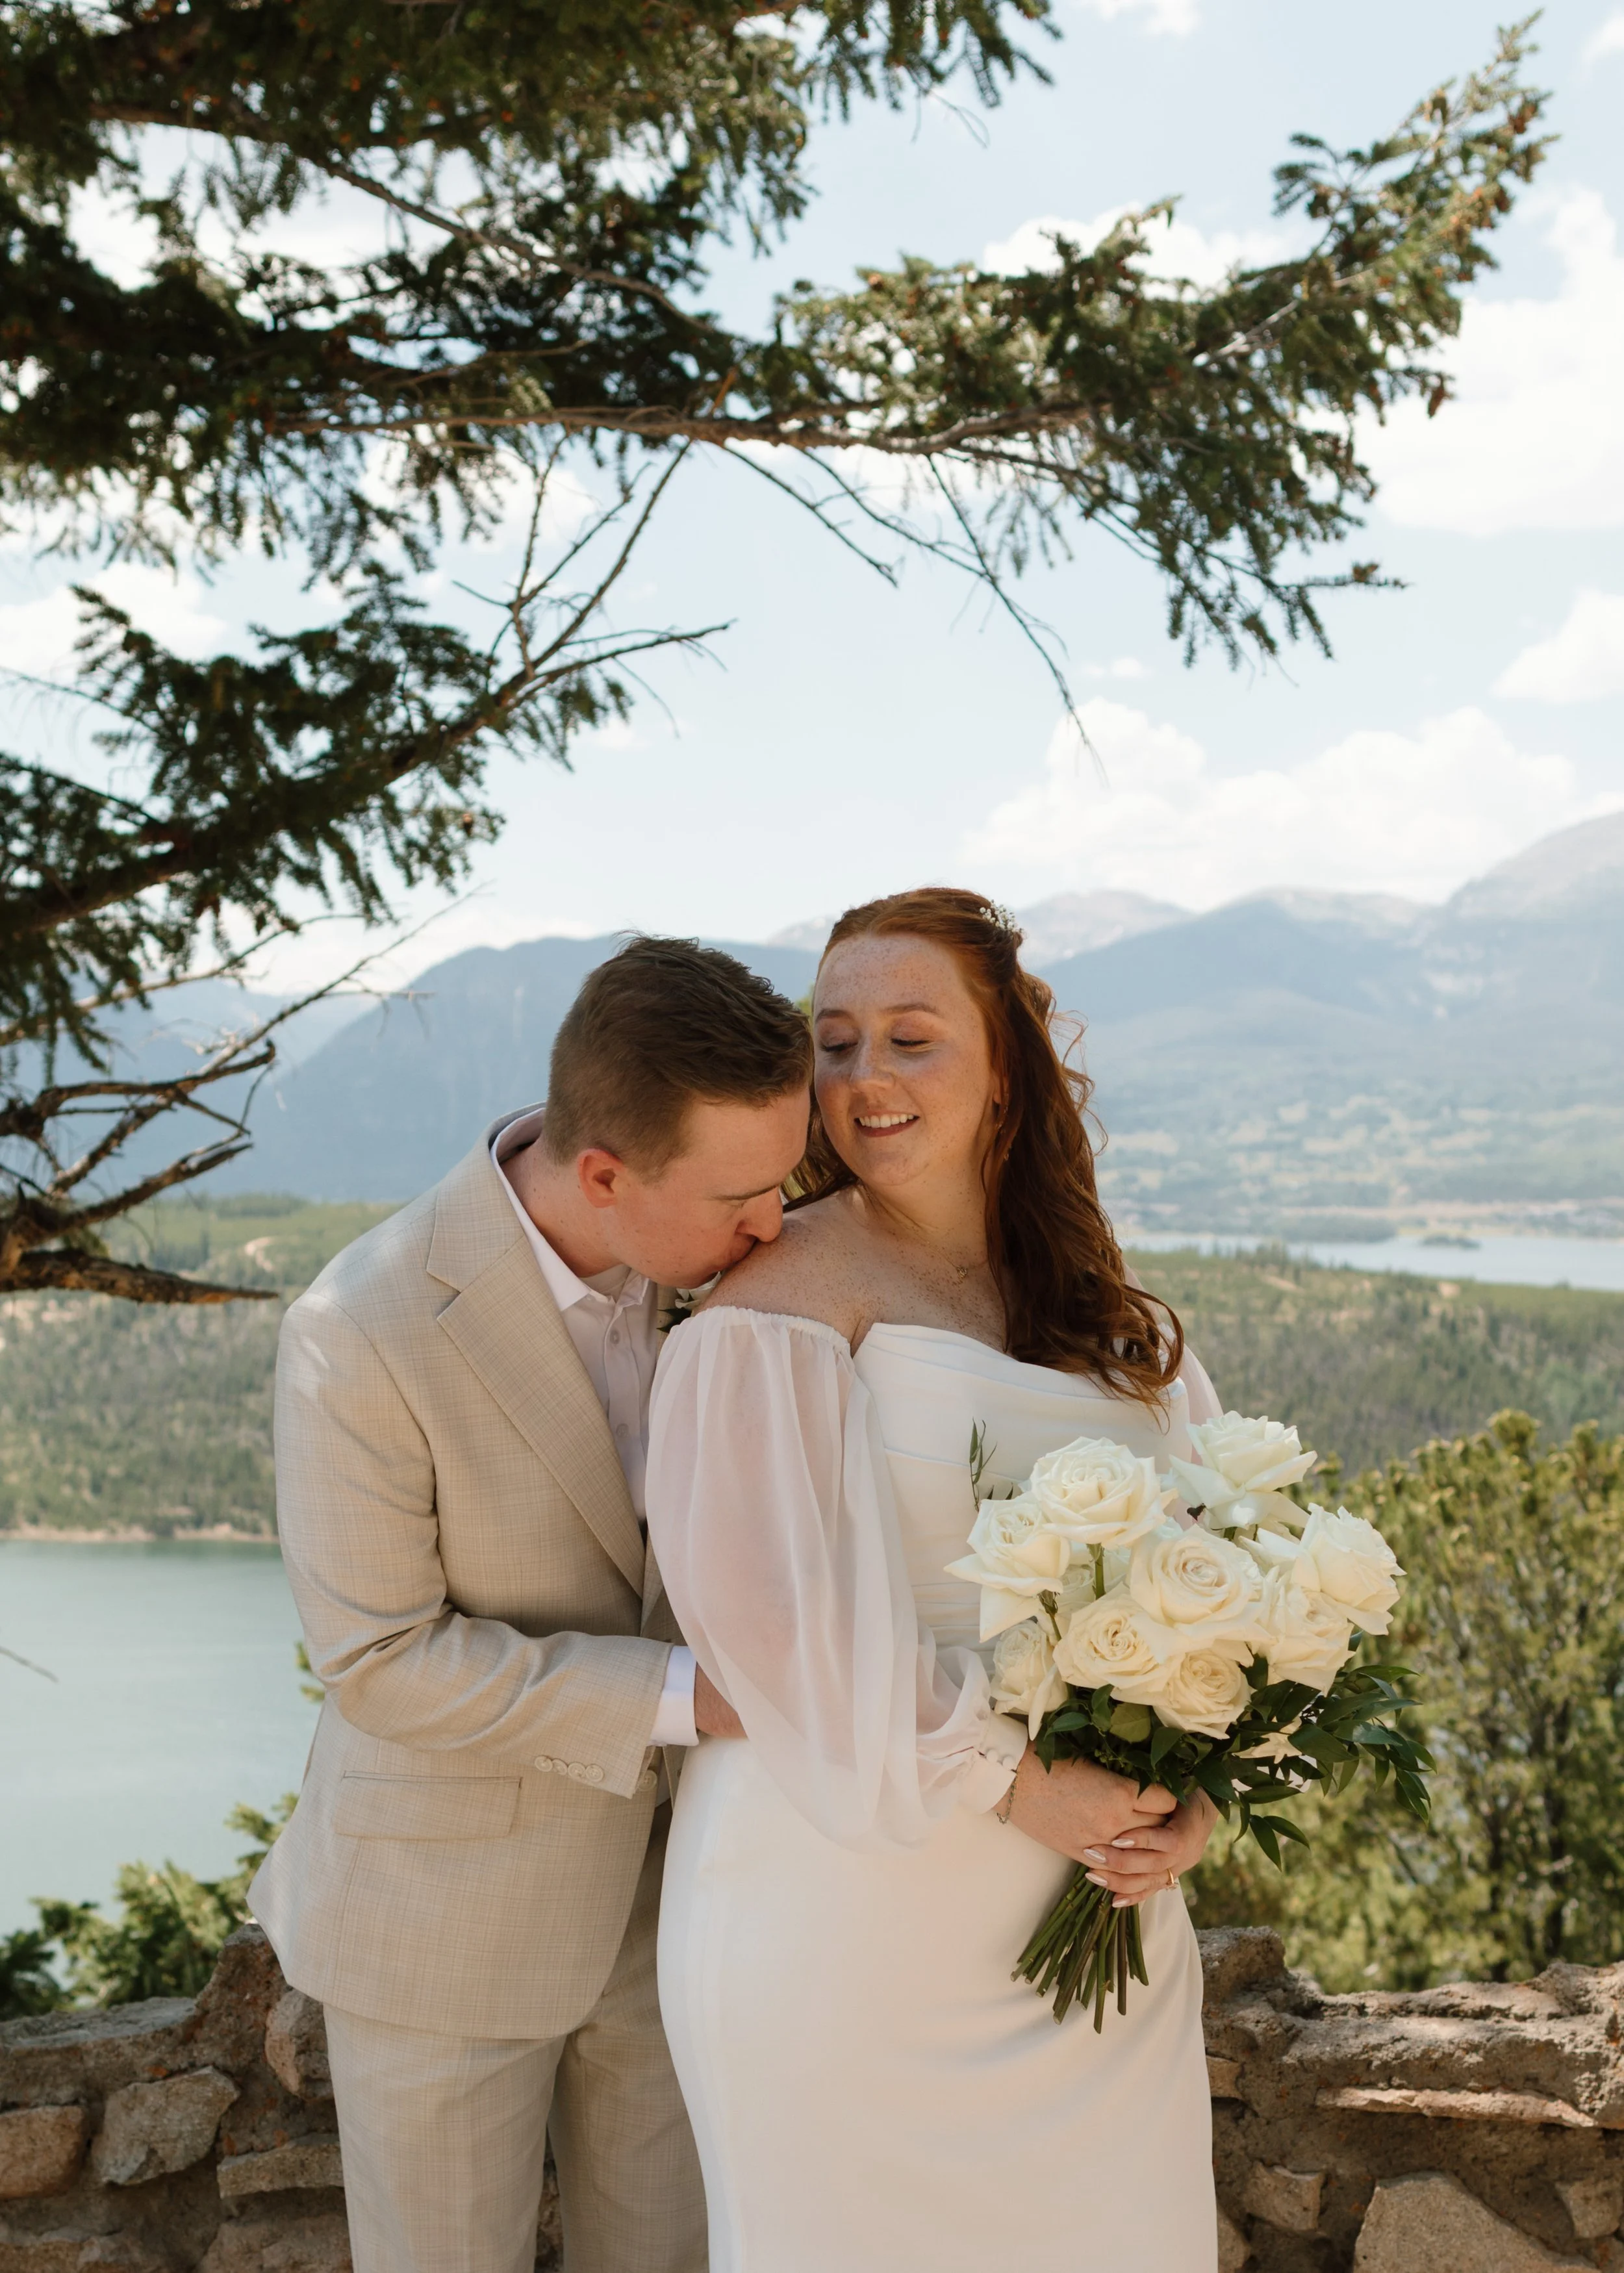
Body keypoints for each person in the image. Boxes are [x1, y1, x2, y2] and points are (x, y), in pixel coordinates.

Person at [646, 887, 1224, 2272]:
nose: (865, 1077)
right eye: (835, 1042)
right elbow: (766, 1632)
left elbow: (1227, 1558)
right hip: (844, 1912)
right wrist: (1019, 1785)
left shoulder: (1103, 1308)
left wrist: (1202, 1793)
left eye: (912, 1038)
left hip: (1100, 1916)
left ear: (1003, 1067)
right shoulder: (768, 1310)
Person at [249, 936, 811, 2273]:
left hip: (681, 1909)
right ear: (604, 1174)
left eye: (783, 1182)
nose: (775, 1228)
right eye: (742, 1195)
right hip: (442, 1923)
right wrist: (692, 1697)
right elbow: (381, 1660)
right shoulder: (359, 1326)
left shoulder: (735, 1277)